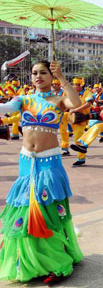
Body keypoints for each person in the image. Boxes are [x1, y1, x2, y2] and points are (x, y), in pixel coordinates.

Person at [0, 60, 83, 283]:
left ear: (51, 75)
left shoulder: (58, 99)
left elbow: (76, 102)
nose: (38, 76)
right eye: (35, 73)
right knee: (25, 210)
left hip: (50, 162)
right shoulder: (24, 100)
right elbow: (5, 109)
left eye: (43, 73)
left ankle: (56, 261)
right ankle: (30, 261)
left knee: (48, 212)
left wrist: (62, 78)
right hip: (26, 161)